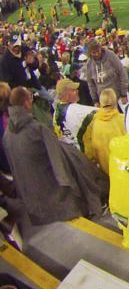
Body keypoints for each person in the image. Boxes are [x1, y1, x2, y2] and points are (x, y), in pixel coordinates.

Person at [3, 87, 107, 225]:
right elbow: (60, 164)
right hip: (58, 200)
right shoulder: (38, 129)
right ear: (26, 103)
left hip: (34, 204)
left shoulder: (7, 136)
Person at [83, 88, 125, 174]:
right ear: (115, 100)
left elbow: (89, 148)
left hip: (105, 170)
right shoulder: (122, 120)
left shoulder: (93, 123)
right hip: (124, 169)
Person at [53, 77, 97, 149]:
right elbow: (102, 113)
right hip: (84, 154)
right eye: (73, 90)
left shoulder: (56, 113)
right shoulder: (76, 110)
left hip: (71, 153)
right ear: (66, 95)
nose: (77, 91)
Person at [84, 39, 128, 105]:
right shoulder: (89, 64)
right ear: (90, 53)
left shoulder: (111, 56)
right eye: (94, 52)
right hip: (103, 99)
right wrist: (95, 100)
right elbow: (91, 84)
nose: (97, 54)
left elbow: (122, 73)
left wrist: (123, 94)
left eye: (98, 51)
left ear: (100, 48)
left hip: (117, 96)